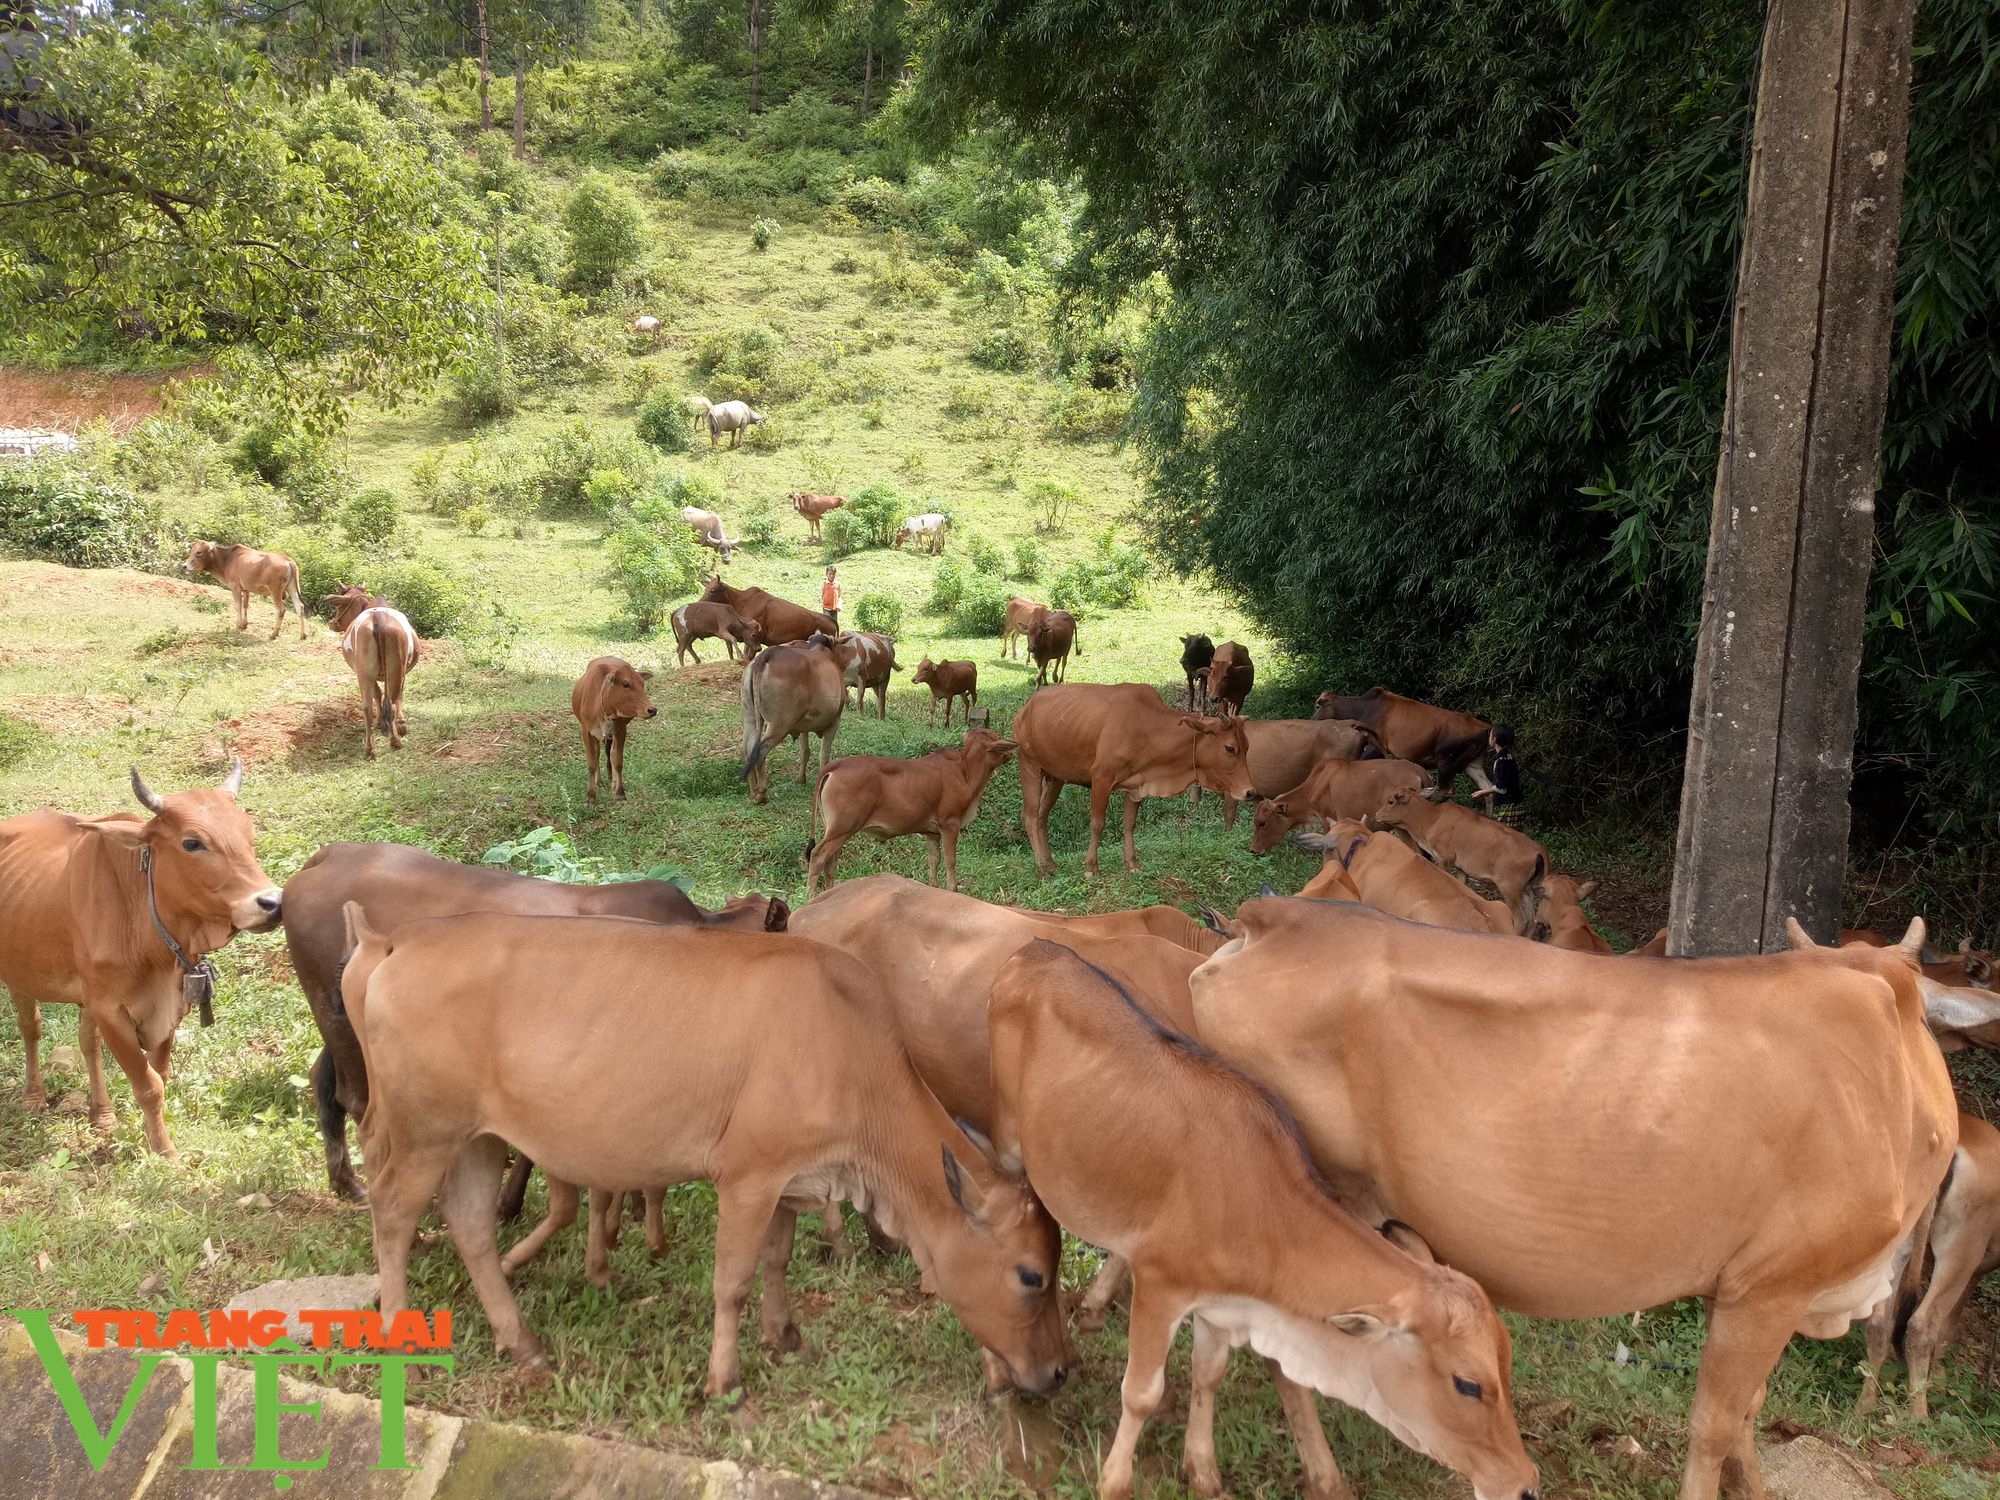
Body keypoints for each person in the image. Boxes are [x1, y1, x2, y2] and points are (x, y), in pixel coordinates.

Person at [1473, 724, 1524, 828]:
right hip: (1517, 805)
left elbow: (1501, 788)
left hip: (1508, 808)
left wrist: (1482, 792)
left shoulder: (1501, 760)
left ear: (1494, 740)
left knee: (1506, 840)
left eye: (1490, 735)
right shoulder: (1508, 755)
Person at [820, 566, 842, 630]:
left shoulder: (837, 584)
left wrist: (839, 605)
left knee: (834, 623)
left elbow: (839, 596)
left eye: (833, 574)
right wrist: (820, 597)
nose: (832, 576)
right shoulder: (824, 584)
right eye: (830, 574)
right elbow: (821, 593)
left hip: (834, 608)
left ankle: (835, 636)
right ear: (826, 574)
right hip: (826, 607)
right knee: (827, 622)